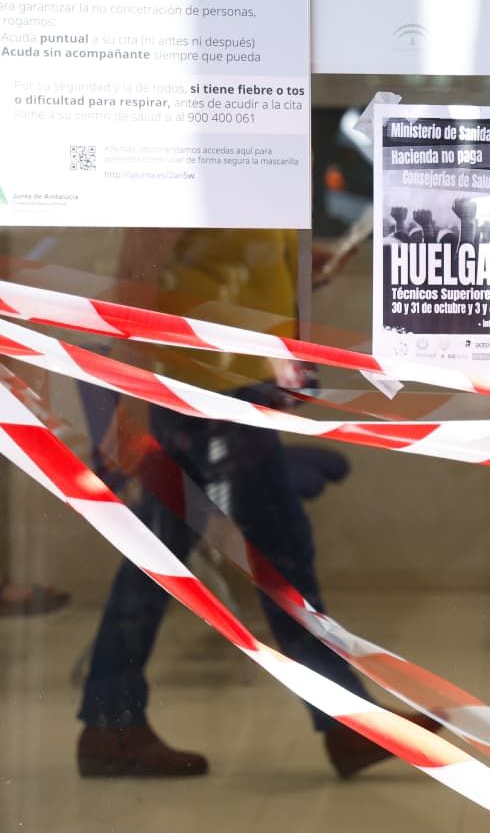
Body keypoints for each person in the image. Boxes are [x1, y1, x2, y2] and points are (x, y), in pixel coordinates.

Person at [75, 228, 432, 778]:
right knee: (279, 555)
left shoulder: (254, 178)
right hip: (198, 390)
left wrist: (297, 266)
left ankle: (111, 721)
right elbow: (137, 272)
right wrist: (131, 399)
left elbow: (229, 265)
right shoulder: (193, 173)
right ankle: (347, 724)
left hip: (228, 386)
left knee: (169, 555)